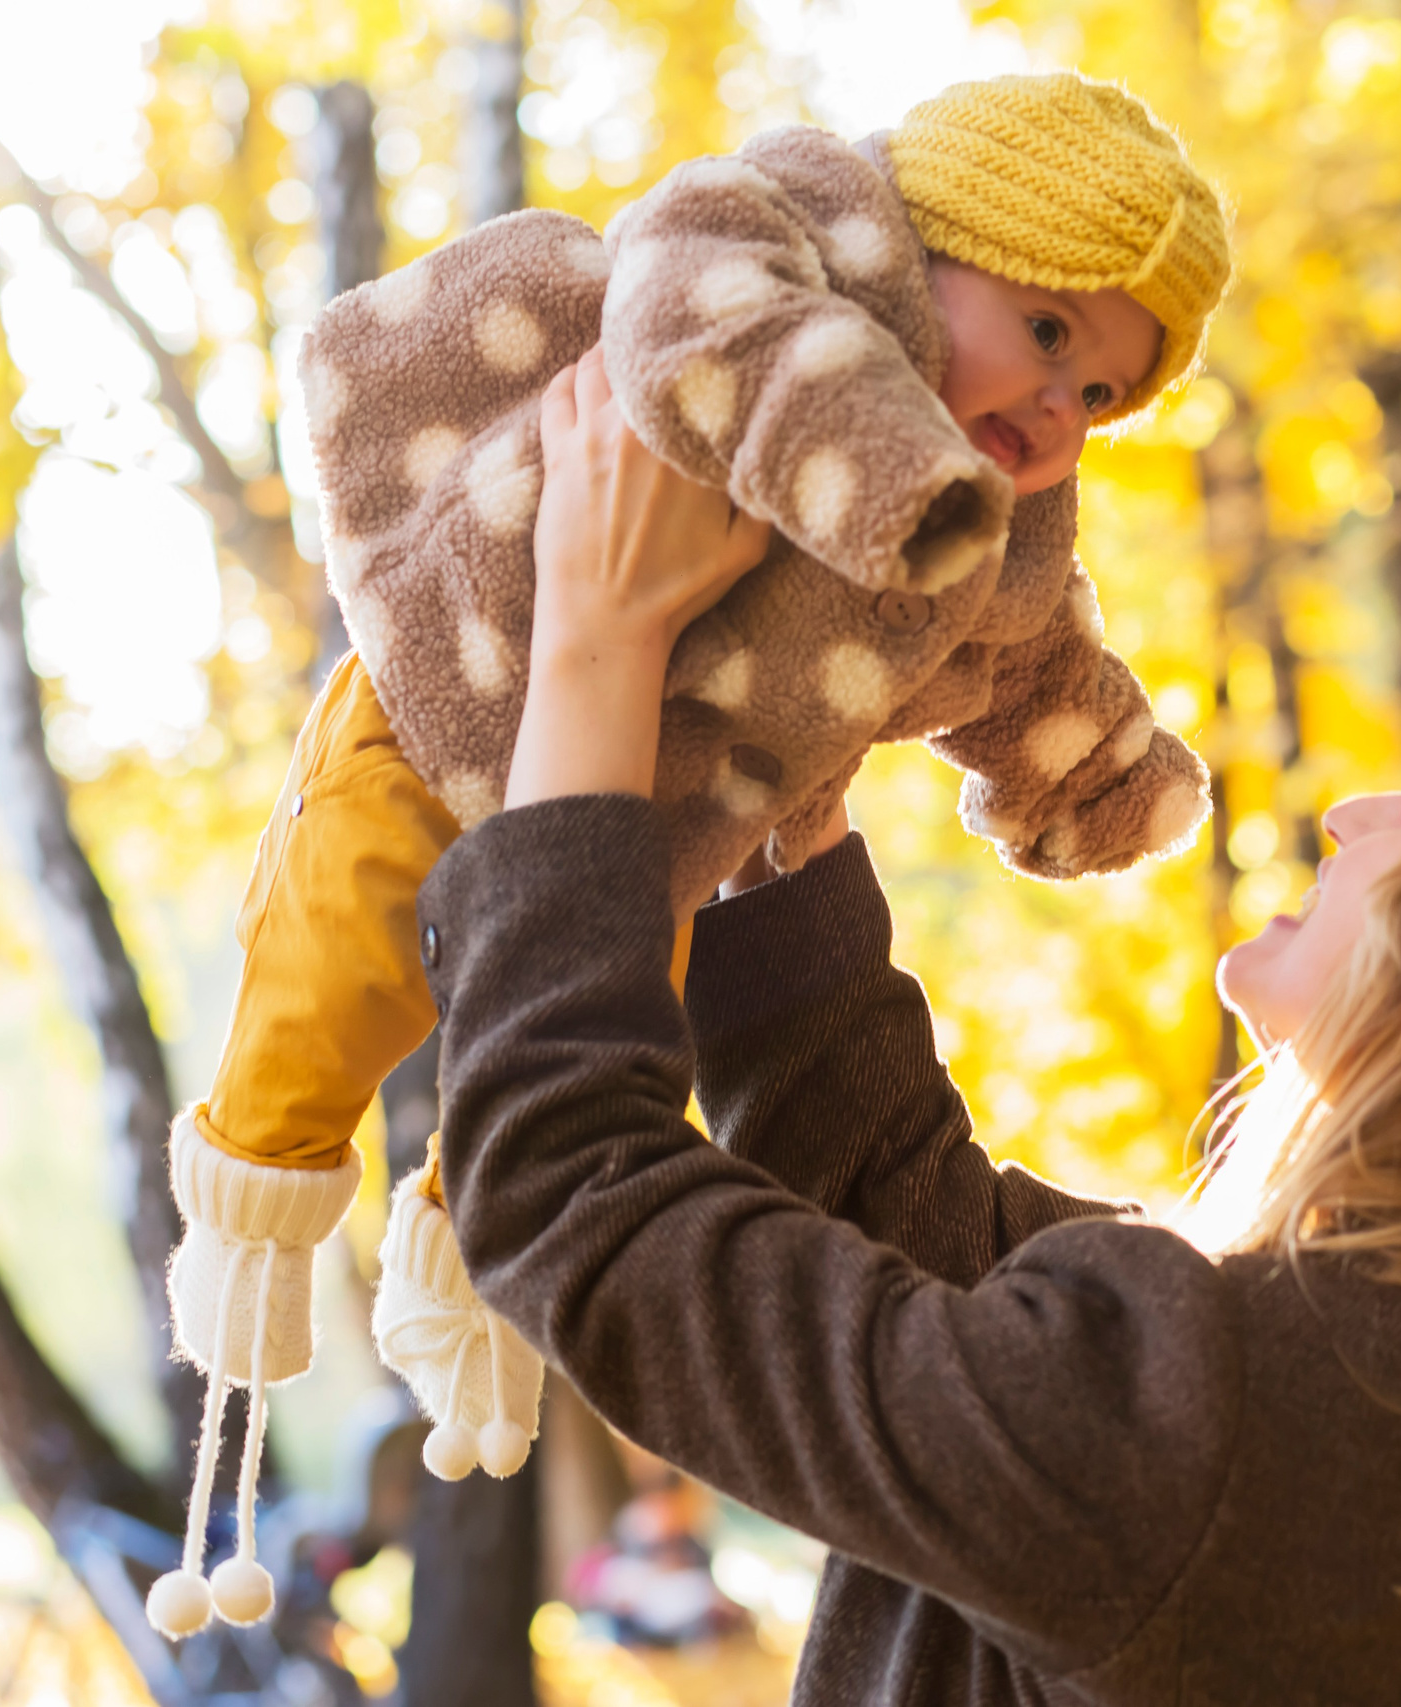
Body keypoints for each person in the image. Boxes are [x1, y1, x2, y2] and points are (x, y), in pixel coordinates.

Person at [395, 352, 1401, 1704]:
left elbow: (580, 1198)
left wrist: (597, 642)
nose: (1359, 814)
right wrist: (787, 819)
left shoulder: (1223, 1424)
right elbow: (928, 1245)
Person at [147, 73, 1235, 1636]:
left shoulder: (995, 529)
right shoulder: (791, 232)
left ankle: (467, 1295)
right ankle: (244, 1255)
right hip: (455, 697)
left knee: (591, 1071)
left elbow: (1035, 658)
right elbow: (695, 315)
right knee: (328, 974)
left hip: (642, 833)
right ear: (937, 236)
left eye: (1106, 393)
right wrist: (882, 474)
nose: (1063, 405)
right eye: (1050, 330)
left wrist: (1103, 776)